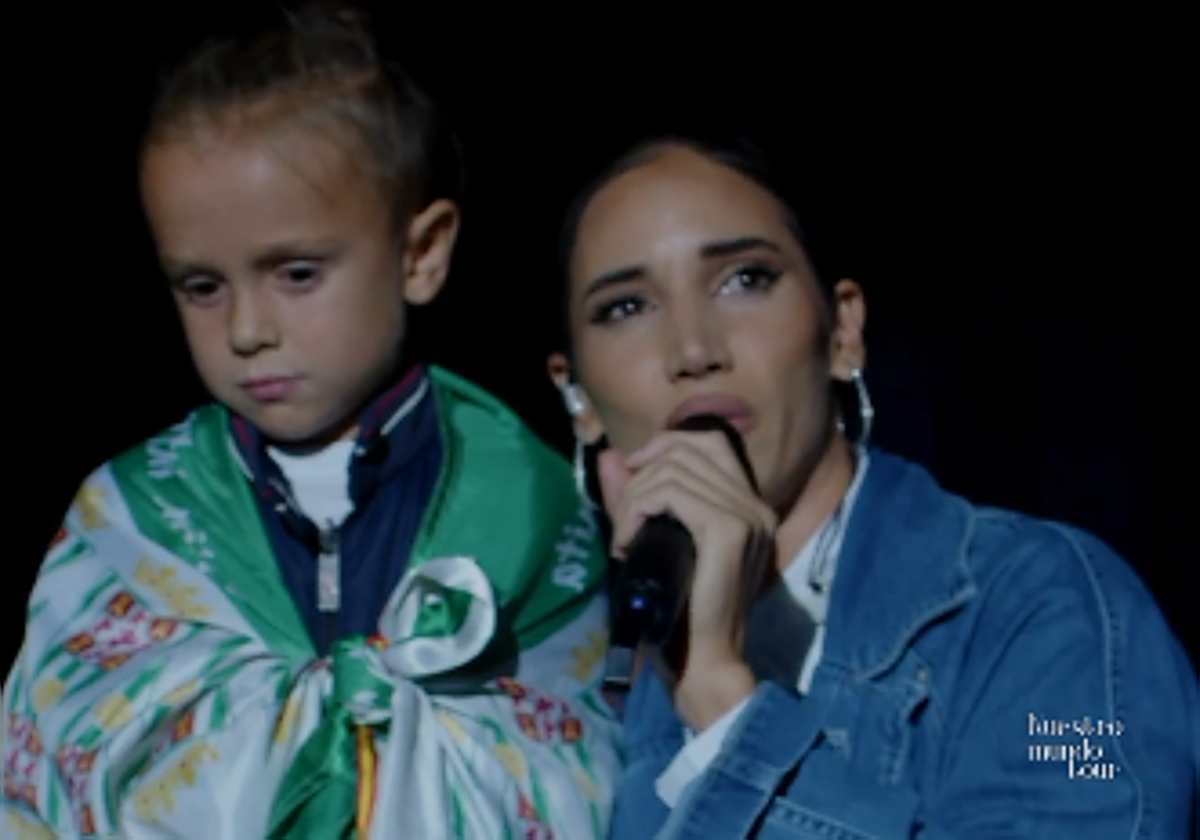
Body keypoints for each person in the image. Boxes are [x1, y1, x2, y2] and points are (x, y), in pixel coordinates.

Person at [0, 6, 621, 838]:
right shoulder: (126, 523)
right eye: (201, 287)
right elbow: (46, 773)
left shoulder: (533, 509)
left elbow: (584, 767)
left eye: (295, 273)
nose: (249, 330)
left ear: (421, 253)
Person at [546, 133, 1198, 839]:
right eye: (625, 308)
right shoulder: (592, 679)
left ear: (842, 331)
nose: (694, 350)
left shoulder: (1048, 610)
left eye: (744, 279)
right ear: (578, 397)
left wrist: (722, 711)